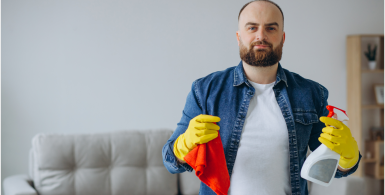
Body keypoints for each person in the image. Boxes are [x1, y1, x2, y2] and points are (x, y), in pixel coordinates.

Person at [162, 0, 361, 194]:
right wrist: (183, 146)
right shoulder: (205, 90)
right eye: (252, 28)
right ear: (239, 37)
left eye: (271, 28)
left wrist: (348, 159)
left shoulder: (311, 93)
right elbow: (169, 162)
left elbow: (327, 165)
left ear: (283, 38)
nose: (261, 36)